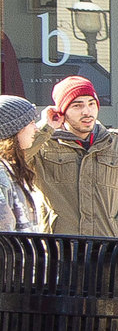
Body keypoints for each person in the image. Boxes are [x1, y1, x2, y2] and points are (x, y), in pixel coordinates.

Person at [30, 77, 118, 237]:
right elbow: (13, 160)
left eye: (91, 103)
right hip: (59, 251)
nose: (87, 111)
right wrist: (45, 127)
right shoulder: (45, 144)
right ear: (62, 112)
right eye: (77, 106)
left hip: (105, 251)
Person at [0, 95, 48, 231]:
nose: (36, 128)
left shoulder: (11, 169)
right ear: (15, 128)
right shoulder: (2, 174)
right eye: (31, 122)